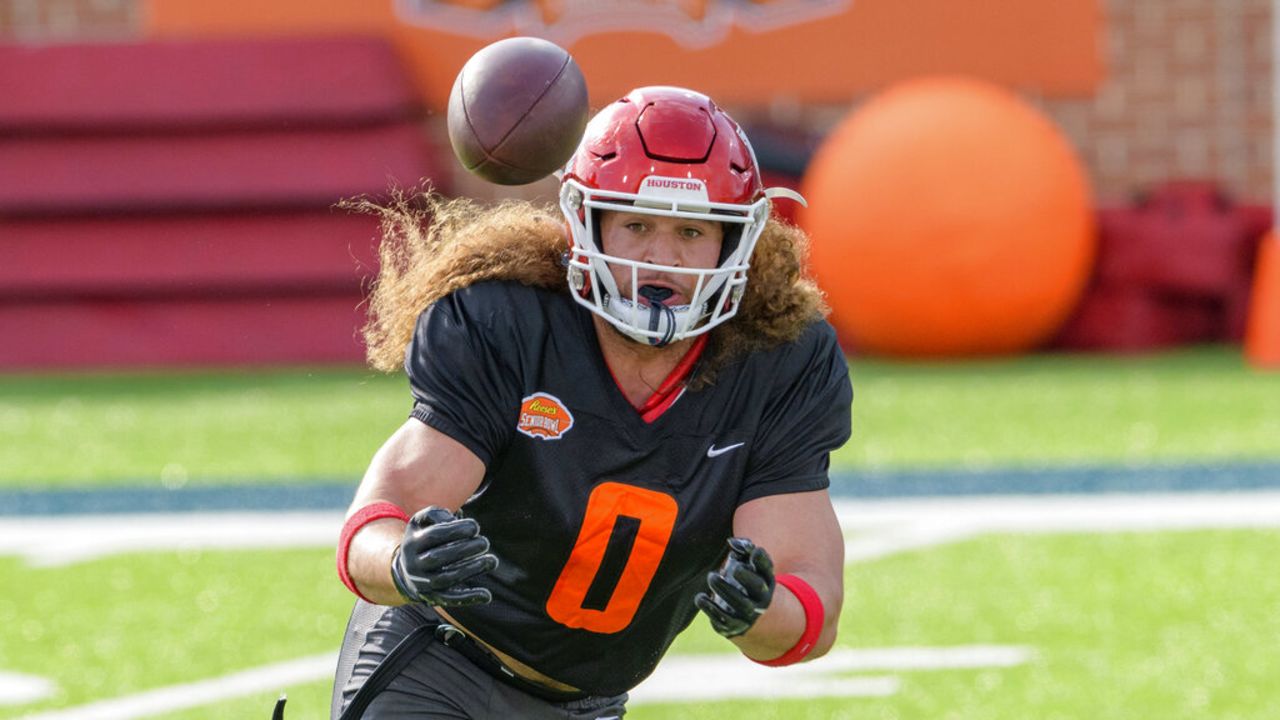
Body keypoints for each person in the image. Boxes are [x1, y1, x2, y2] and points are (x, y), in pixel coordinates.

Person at [331, 85, 853, 720]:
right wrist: (403, 561)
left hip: (588, 705)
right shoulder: (507, 322)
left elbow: (810, 611)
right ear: (586, 223)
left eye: (690, 230)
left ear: (736, 243)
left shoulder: (779, 360)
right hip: (439, 666)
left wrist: (754, 610)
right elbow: (377, 519)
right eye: (635, 225)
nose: (662, 258)